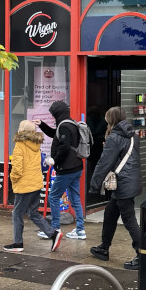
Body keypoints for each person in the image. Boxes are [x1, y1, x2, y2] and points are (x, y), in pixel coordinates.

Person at [88, 107, 143, 270]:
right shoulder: (133, 134)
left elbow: (104, 163)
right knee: (110, 213)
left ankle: (142, 254)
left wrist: (94, 186)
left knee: (129, 219)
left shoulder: (115, 137)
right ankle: (104, 247)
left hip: (123, 183)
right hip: (131, 180)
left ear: (110, 120)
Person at [5, 121, 61, 253]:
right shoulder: (36, 144)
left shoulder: (20, 145)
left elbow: (17, 168)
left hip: (24, 186)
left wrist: (13, 179)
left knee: (17, 214)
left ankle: (18, 243)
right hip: (36, 184)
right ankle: (53, 234)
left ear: (21, 130)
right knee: (33, 213)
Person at [36, 100, 87, 240]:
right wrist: (42, 125)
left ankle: (54, 229)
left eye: (53, 115)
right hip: (76, 167)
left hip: (66, 169)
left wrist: (54, 160)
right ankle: (80, 230)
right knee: (75, 199)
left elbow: (64, 146)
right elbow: (55, 134)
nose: (53, 117)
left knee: (53, 196)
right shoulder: (70, 123)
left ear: (57, 113)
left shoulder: (64, 126)